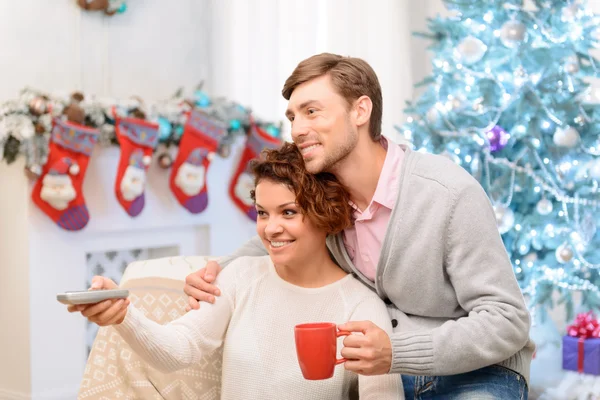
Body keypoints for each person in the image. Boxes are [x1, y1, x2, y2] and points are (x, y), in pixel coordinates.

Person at [184, 53, 535, 399]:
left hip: (477, 373)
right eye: (292, 116)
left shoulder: (447, 193)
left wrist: (396, 352)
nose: (297, 129)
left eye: (311, 111)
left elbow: (507, 320)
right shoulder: (324, 190)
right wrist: (218, 270)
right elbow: (277, 233)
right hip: (387, 375)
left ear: (360, 111)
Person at [68, 142, 404, 400]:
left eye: (288, 213)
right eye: (262, 213)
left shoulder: (360, 306)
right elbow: (178, 348)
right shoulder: (241, 276)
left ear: (325, 213)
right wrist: (122, 316)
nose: (270, 228)